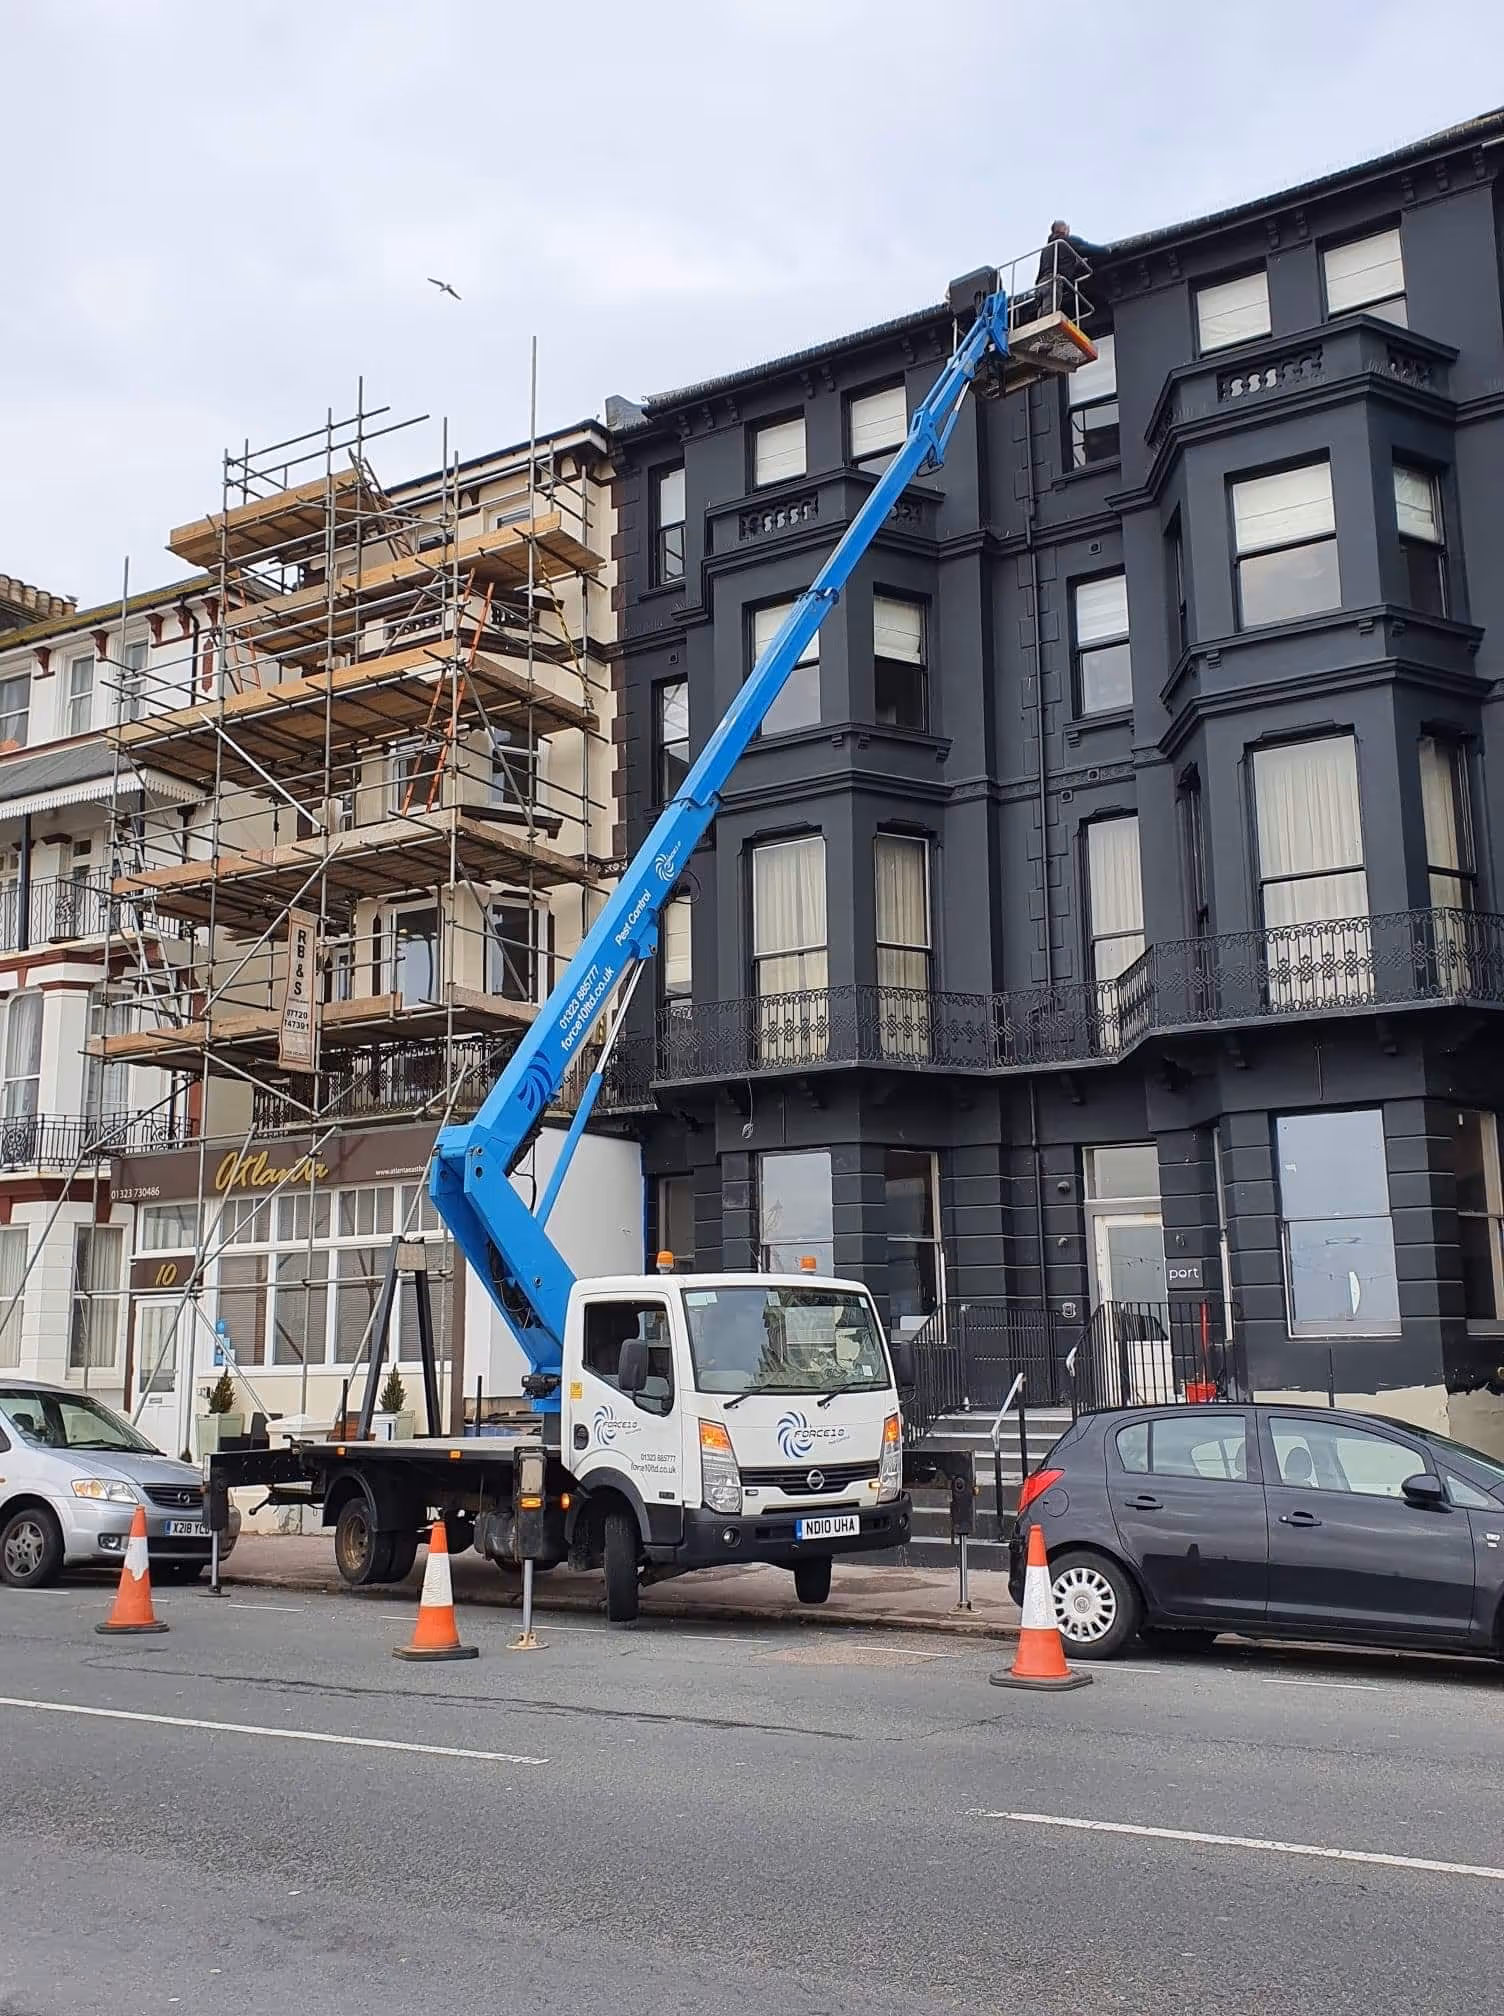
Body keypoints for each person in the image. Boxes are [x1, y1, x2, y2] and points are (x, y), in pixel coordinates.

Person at [1034, 220, 1106, 322]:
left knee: (1042, 315)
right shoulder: (1065, 241)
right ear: (1064, 229)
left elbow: (1059, 262)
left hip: (1040, 285)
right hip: (1053, 281)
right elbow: (1087, 248)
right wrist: (1107, 250)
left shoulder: (1047, 248)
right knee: (1048, 318)